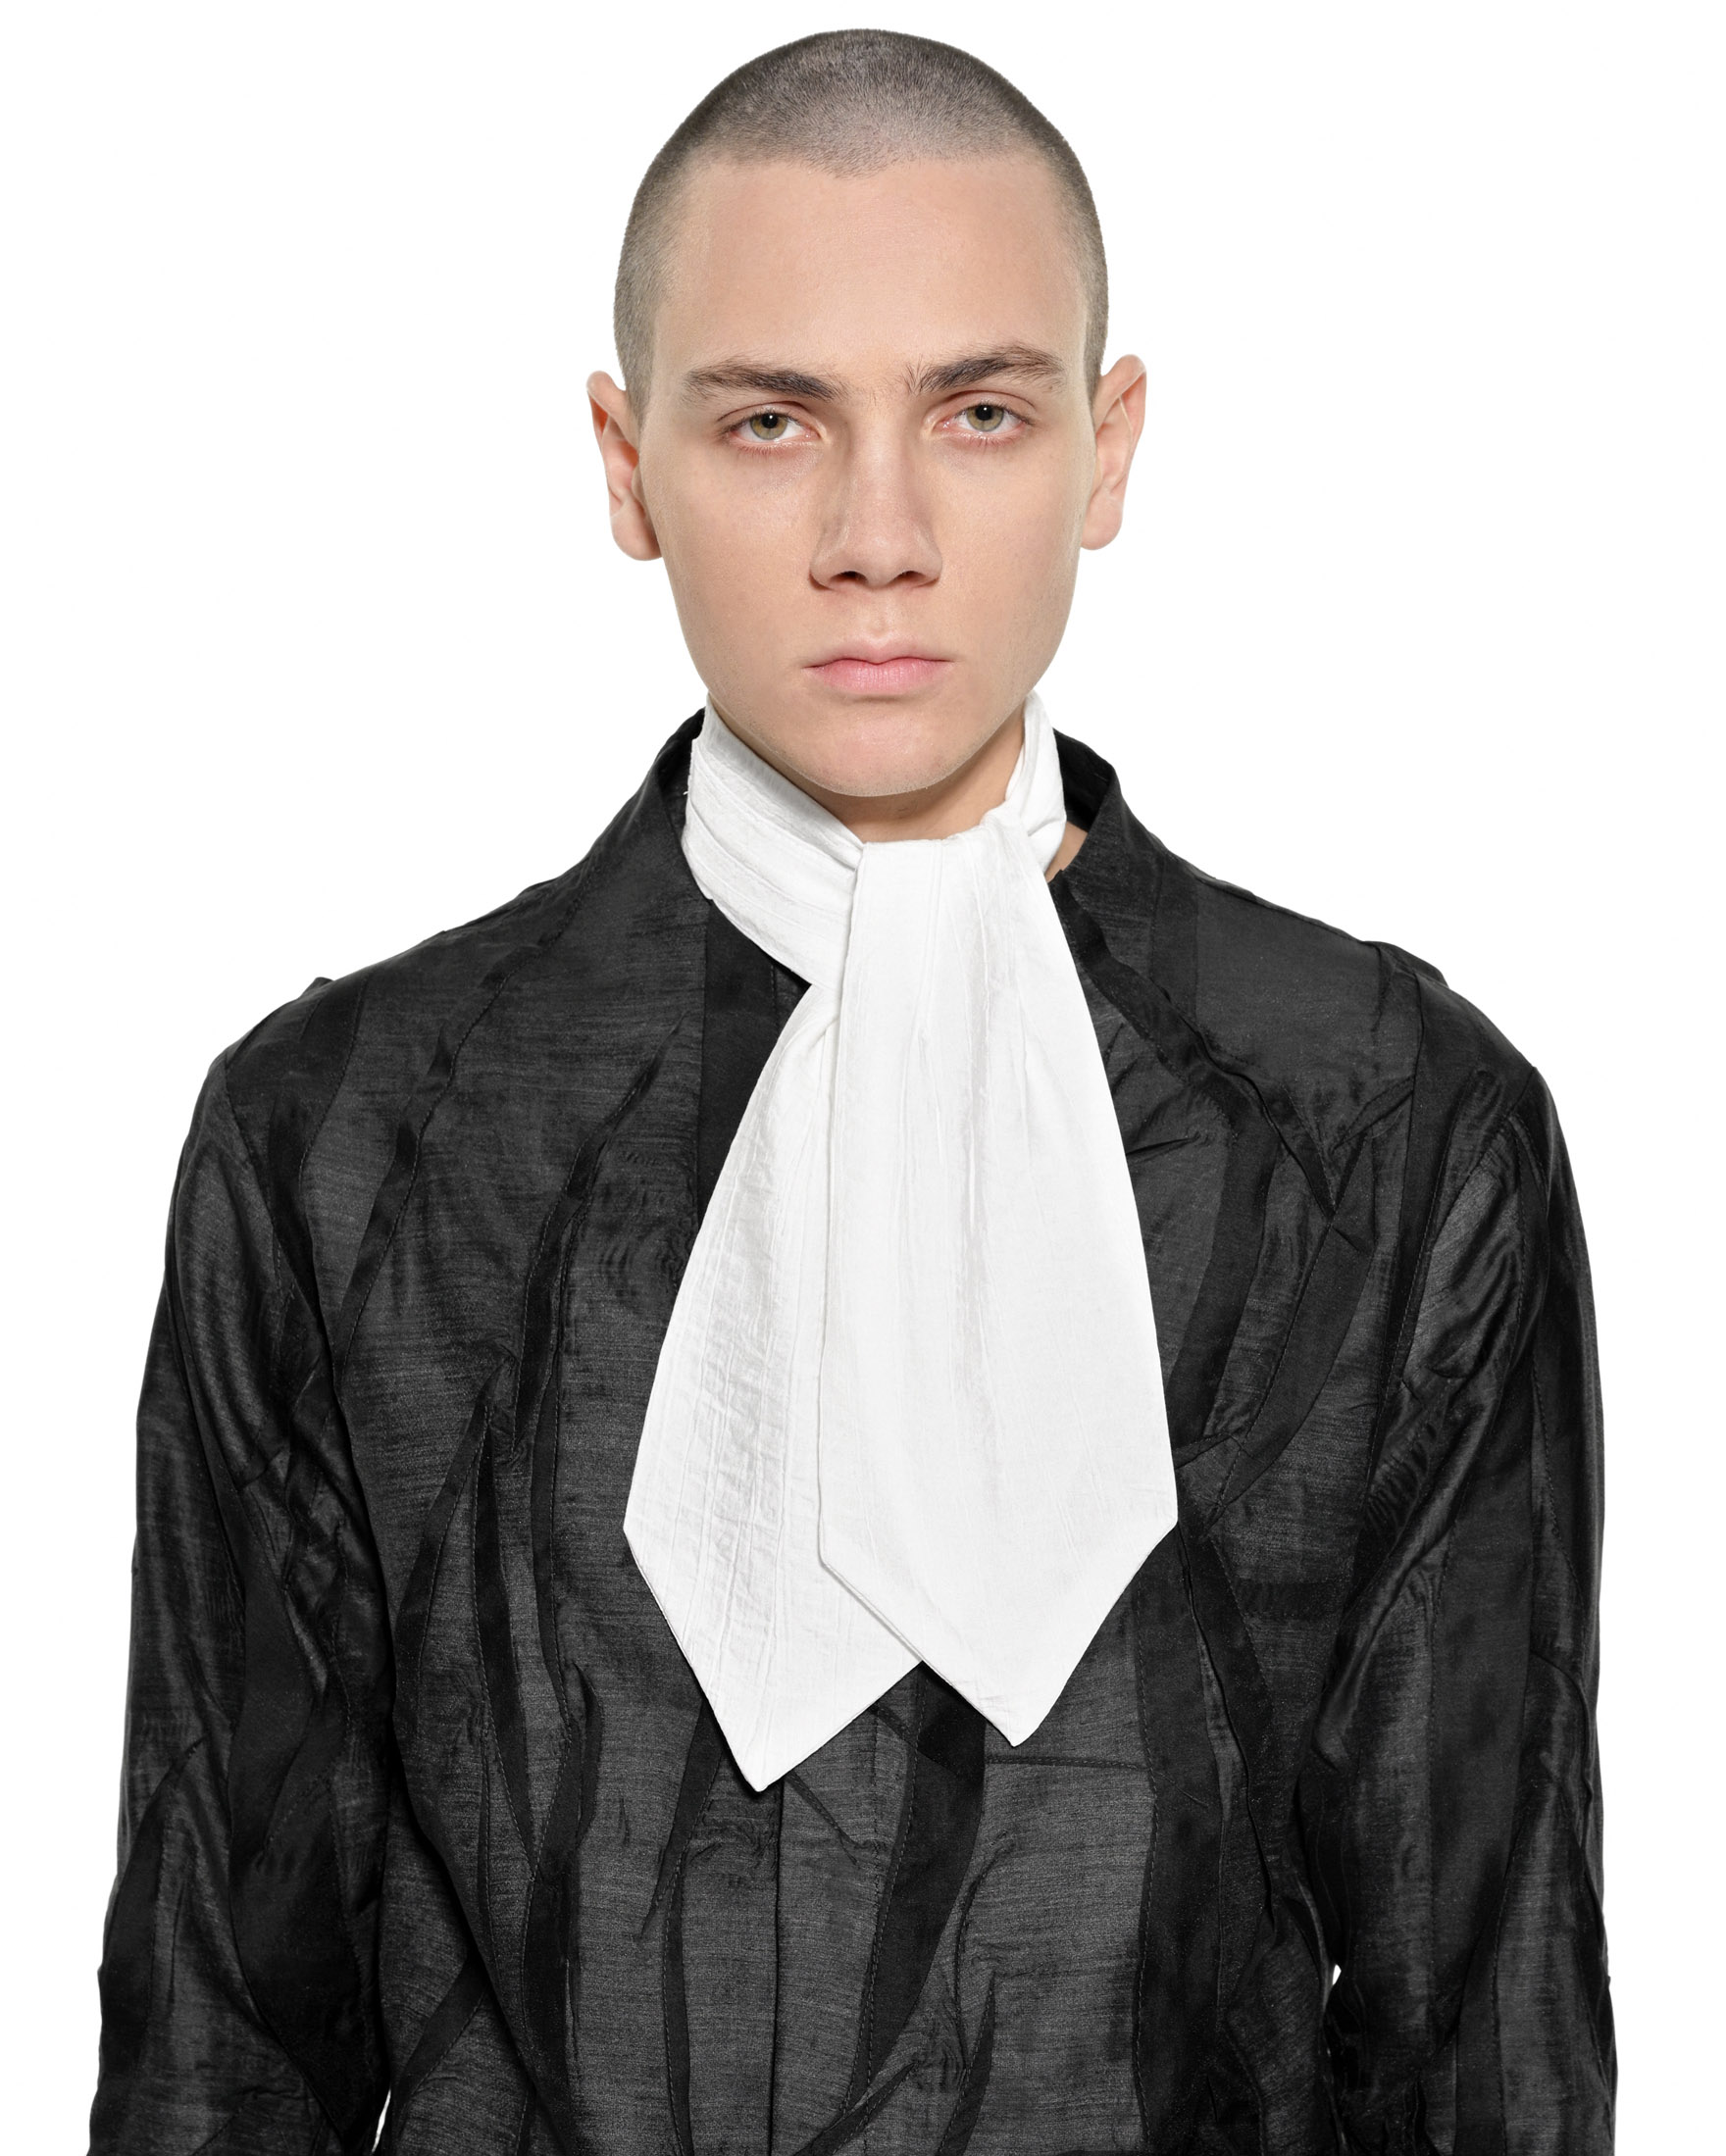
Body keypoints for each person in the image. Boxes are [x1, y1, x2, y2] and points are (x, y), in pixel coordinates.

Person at [87, 29, 1613, 2156]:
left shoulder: (1394, 1128)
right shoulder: (340, 1139)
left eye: (978, 414)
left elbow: (1487, 2016)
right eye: (771, 421)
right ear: (627, 465)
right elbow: (224, 2027)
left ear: (1106, 449)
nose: (876, 536)